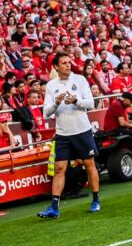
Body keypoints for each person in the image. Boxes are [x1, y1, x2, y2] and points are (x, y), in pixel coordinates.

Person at [39, 53, 101, 218]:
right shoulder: (51, 85)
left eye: (69, 62)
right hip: (63, 133)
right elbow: (46, 112)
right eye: (64, 63)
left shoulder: (80, 80)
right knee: (59, 169)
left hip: (82, 130)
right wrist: (56, 103)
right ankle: (54, 208)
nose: (68, 65)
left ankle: (96, 200)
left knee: (89, 164)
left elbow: (91, 103)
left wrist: (76, 101)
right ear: (56, 67)